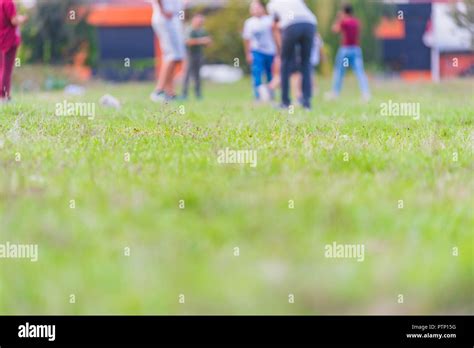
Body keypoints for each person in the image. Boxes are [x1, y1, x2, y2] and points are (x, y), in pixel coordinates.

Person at [267, 0, 317, 110]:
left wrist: (279, 50)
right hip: (310, 24)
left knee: (285, 62)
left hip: (291, 25)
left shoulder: (272, 4)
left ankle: (285, 102)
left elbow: (275, 26)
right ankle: (306, 103)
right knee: (306, 62)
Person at [327, 3, 370, 101]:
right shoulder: (356, 22)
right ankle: (365, 93)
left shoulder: (344, 22)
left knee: (339, 72)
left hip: (345, 50)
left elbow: (334, 30)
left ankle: (335, 93)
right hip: (356, 49)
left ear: (344, 12)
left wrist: (338, 18)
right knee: (360, 72)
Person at [150, 0, 186, 102]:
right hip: (166, 18)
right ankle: (158, 91)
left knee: (177, 57)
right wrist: (163, 10)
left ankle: (169, 93)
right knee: (172, 55)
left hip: (172, 18)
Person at [243, 0, 276, 101]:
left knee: (271, 74)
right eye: (252, 8)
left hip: (271, 51)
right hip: (257, 51)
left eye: (257, 7)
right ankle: (258, 96)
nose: (255, 10)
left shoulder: (270, 20)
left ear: (263, 8)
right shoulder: (249, 22)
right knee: (257, 74)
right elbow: (246, 39)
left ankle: (271, 95)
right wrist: (248, 53)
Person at [0, 0, 27, 103]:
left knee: (2, 68)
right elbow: (14, 20)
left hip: (1, 38)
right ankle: (4, 96)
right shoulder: (8, 2)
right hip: (8, 40)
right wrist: (22, 18)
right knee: (7, 69)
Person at [182, 13, 211, 100]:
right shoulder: (189, 30)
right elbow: (187, 42)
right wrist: (201, 41)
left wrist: (207, 42)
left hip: (199, 55)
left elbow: (208, 42)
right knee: (187, 75)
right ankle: (184, 94)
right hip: (190, 55)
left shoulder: (202, 30)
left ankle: (198, 94)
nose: (200, 23)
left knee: (197, 75)